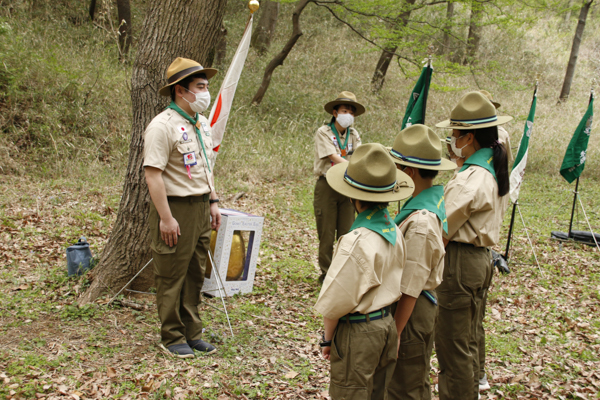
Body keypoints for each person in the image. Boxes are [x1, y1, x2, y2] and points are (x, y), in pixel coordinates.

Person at [315, 143, 414, 400]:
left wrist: (327, 339)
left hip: (359, 333)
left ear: (352, 197)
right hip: (386, 325)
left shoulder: (356, 241)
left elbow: (336, 300)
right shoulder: (394, 230)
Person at [434, 91, 512, 400]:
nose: (452, 141)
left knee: (453, 351)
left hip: (460, 262)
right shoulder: (490, 167)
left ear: (470, 137)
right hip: (479, 260)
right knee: (465, 342)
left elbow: (441, 229)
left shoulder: (471, 178)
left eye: (455, 134)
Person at [143, 57, 222, 359]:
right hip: (175, 207)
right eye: (199, 87)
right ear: (180, 90)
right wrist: (166, 218)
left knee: (194, 272)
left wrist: (213, 200)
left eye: (206, 87)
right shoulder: (162, 126)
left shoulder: (201, 123)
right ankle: (172, 335)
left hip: (202, 205)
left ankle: (193, 333)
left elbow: (206, 166)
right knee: (172, 272)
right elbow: (153, 175)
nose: (205, 93)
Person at [387, 124, 457, 400]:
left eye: (396, 167)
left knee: (406, 386)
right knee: (407, 381)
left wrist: (396, 331)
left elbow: (410, 286)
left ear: (409, 172)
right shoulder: (423, 203)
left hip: (411, 312)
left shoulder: (421, 223)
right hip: (410, 307)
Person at [475, 90, 513, 391]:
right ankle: (478, 374)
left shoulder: (482, 167)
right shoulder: (489, 170)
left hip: (472, 250)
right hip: (483, 247)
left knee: (465, 324)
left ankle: (476, 375)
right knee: (473, 319)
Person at [313, 92, 364, 283]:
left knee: (347, 231)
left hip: (348, 186)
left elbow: (360, 155)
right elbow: (332, 156)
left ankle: (343, 272)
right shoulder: (323, 132)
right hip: (327, 185)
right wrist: (352, 167)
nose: (348, 114)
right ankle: (327, 273)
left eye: (351, 111)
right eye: (344, 110)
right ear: (335, 113)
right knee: (326, 233)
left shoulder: (354, 134)